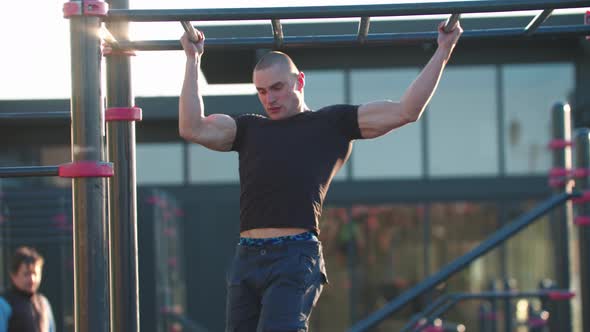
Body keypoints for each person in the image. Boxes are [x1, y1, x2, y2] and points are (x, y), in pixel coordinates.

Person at [179, 20, 462, 331]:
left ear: (299, 81)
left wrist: (444, 50)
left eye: (277, 88)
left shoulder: (331, 124)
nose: (270, 98)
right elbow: (192, 127)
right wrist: (193, 59)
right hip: (246, 258)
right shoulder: (248, 128)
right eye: (261, 91)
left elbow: (406, 110)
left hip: (294, 256)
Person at [0, 246, 55, 332]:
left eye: (35, 274)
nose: (32, 279)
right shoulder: (3, 303)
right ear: (13, 275)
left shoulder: (43, 303)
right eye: (26, 274)